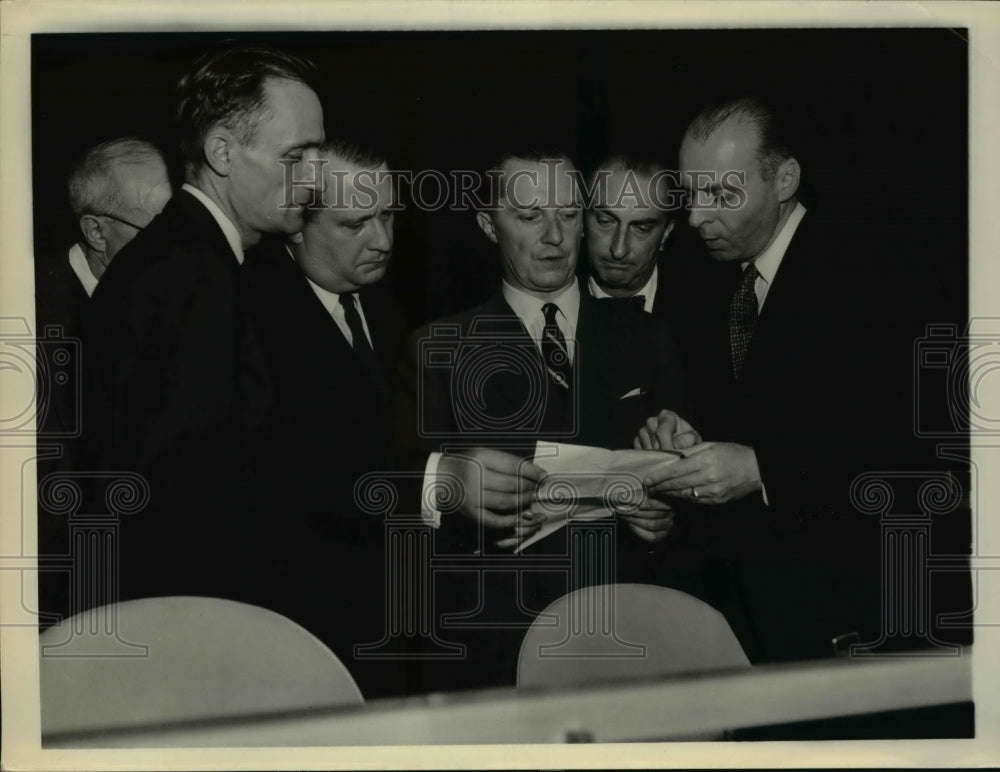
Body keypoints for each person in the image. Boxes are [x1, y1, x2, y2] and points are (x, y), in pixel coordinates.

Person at [395, 150, 698, 692]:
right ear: (490, 225)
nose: (554, 236)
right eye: (530, 217)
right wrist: (464, 504)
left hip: (632, 638)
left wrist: (666, 521)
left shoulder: (650, 338)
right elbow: (410, 514)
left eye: (567, 213)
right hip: (501, 649)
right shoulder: (436, 349)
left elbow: (691, 504)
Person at [638, 96, 890, 664]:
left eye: (722, 195)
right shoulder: (711, 282)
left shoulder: (875, 271)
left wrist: (760, 469)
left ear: (784, 180)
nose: (697, 218)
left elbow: (922, 451)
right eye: (691, 194)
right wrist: (681, 438)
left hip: (855, 628)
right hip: (752, 624)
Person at [81, 46, 325, 606]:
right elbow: (181, 503)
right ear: (221, 152)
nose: (314, 179)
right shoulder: (190, 277)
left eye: (319, 153)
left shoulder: (192, 261)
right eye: (297, 156)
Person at [243, 139, 407, 697]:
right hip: (301, 636)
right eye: (354, 223)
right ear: (296, 225)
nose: (382, 240)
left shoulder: (382, 300)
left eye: (387, 215)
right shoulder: (253, 320)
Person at [583, 154, 677, 313]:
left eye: (641, 229)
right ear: (581, 220)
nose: (618, 250)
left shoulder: (712, 305)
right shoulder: (546, 302)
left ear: (666, 234)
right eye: (605, 222)